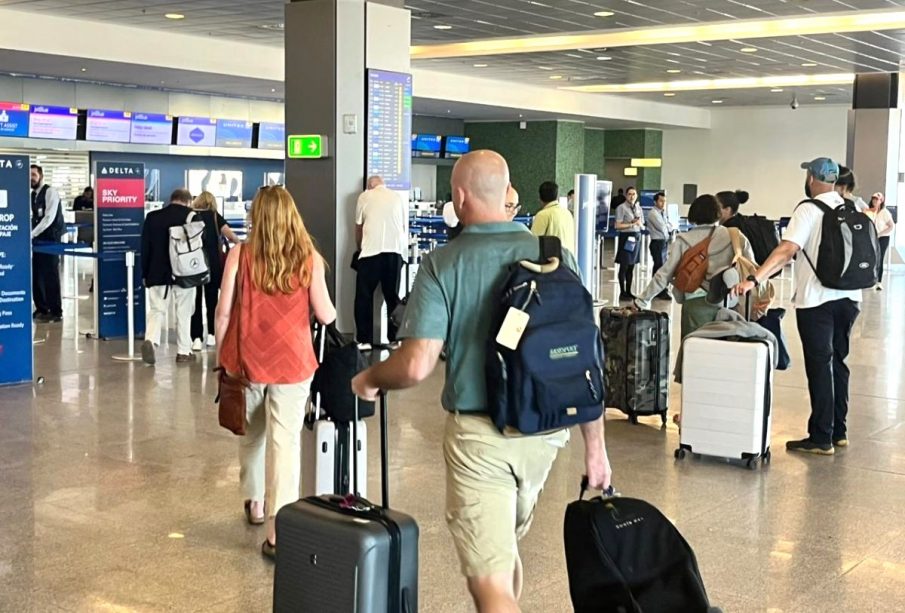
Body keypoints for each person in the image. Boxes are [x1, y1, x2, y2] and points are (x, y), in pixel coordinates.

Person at [352, 150, 612, 613]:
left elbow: (415, 365)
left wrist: (369, 378)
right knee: (502, 550)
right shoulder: (552, 255)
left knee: (488, 583)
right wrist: (596, 450)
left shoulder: (442, 263)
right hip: (546, 433)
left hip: (481, 440)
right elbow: (582, 355)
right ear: (507, 193)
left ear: (459, 197)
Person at [216, 185, 336, 559]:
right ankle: (276, 530)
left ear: (256, 217)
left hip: (247, 361)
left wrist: (222, 358)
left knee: (252, 434)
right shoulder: (309, 258)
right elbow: (326, 314)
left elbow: (222, 312)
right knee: (285, 444)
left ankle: (254, 501)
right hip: (293, 363)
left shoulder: (240, 254)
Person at [734, 158, 861, 455]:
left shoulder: (809, 208)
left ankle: (820, 437)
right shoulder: (850, 207)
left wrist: (754, 279)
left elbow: (787, 250)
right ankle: (838, 430)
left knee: (820, 365)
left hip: (817, 300)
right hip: (851, 297)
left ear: (812, 178)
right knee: (838, 362)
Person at [635, 195, 755, 339]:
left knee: (694, 351)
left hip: (695, 304)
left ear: (694, 214)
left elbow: (664, 275)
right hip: (730, 303)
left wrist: (643, 300)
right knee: (725, 352)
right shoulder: (735, 236)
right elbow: (751, 268)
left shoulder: (683, 241)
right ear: (717, 213)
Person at [140, 188, 196, 365]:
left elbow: (145, 248)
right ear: (187, 201)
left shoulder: (152, 217)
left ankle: (151, 340)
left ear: (171, 199)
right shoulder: (192, 217)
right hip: (184, 272)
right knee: (184, 312)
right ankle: (183, 352)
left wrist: (145, 273)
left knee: (157, 309)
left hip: (157, 272)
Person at [354, 175, 406, 351]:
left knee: (364, 297)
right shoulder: (397, 198)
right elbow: (402, 228)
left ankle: (364, 339)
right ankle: (395, 338)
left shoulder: (364, 197)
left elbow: (359, 227)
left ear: (370, 185)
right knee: (392, 296)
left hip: (370, 252)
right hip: (394, 253)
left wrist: (359, 248)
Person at [189, 191, 240, 351]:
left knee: (195, 303)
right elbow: (232, 237)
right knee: (212, 301)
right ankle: (211, 334)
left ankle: (196, 338)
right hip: (213, 266)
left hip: (193, 266)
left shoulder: (190, 216)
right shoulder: (215, 217)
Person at [30, 164, 64, 323]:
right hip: (38, 239)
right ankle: (42, 308)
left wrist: (32, 233)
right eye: (29, 175)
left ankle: (56, 311)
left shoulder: (50, 192)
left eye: (34, 175)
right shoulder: (33, 195)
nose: (31, 178)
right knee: (37, 274)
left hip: (51, 239)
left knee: (51, 275)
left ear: (41, 176)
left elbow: (49, 218)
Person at [614, 186, 644, 301]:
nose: (632, 196)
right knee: (624, 265)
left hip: (636, 237)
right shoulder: (621, 208)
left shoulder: (638, 207)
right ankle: (622, 292)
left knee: (632, 266)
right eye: (630, 194)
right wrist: (631, 224)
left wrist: (638, 223)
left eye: (634, 194)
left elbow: (641, 223)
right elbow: (617, 226)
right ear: (626, 195)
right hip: (627, 237)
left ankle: (629, 291)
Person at [531, 181, 575, 252]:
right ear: (557, 196)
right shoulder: (567, 213)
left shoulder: (542, 215)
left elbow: (533, 242)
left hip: (552, 261)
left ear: (540, 197)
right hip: (568, 260)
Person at [646, 192, 673, 300]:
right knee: (659, 267)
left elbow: (670, 226)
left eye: (664, 201)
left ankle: (661, 289)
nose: (663, 203)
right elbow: (662, 227)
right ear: (655, 202)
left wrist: (668, 226)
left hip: (664, 241)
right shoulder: (653, 213)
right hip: (657, 242)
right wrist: (667, 226)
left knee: (663, 266)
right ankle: (658, 290)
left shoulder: (663, 213)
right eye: (661, 201)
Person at [866, 192, 895, 290]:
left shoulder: (884, 212)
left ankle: (879, 282)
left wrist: (880, 234)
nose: (875, 200)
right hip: (873, 237)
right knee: (872, 258)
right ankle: (871, 280)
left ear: (881, 201)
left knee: (880, 258)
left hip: (883, 238)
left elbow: (891, 226)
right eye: (873, 198)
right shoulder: (870, 211)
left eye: (877, 199)